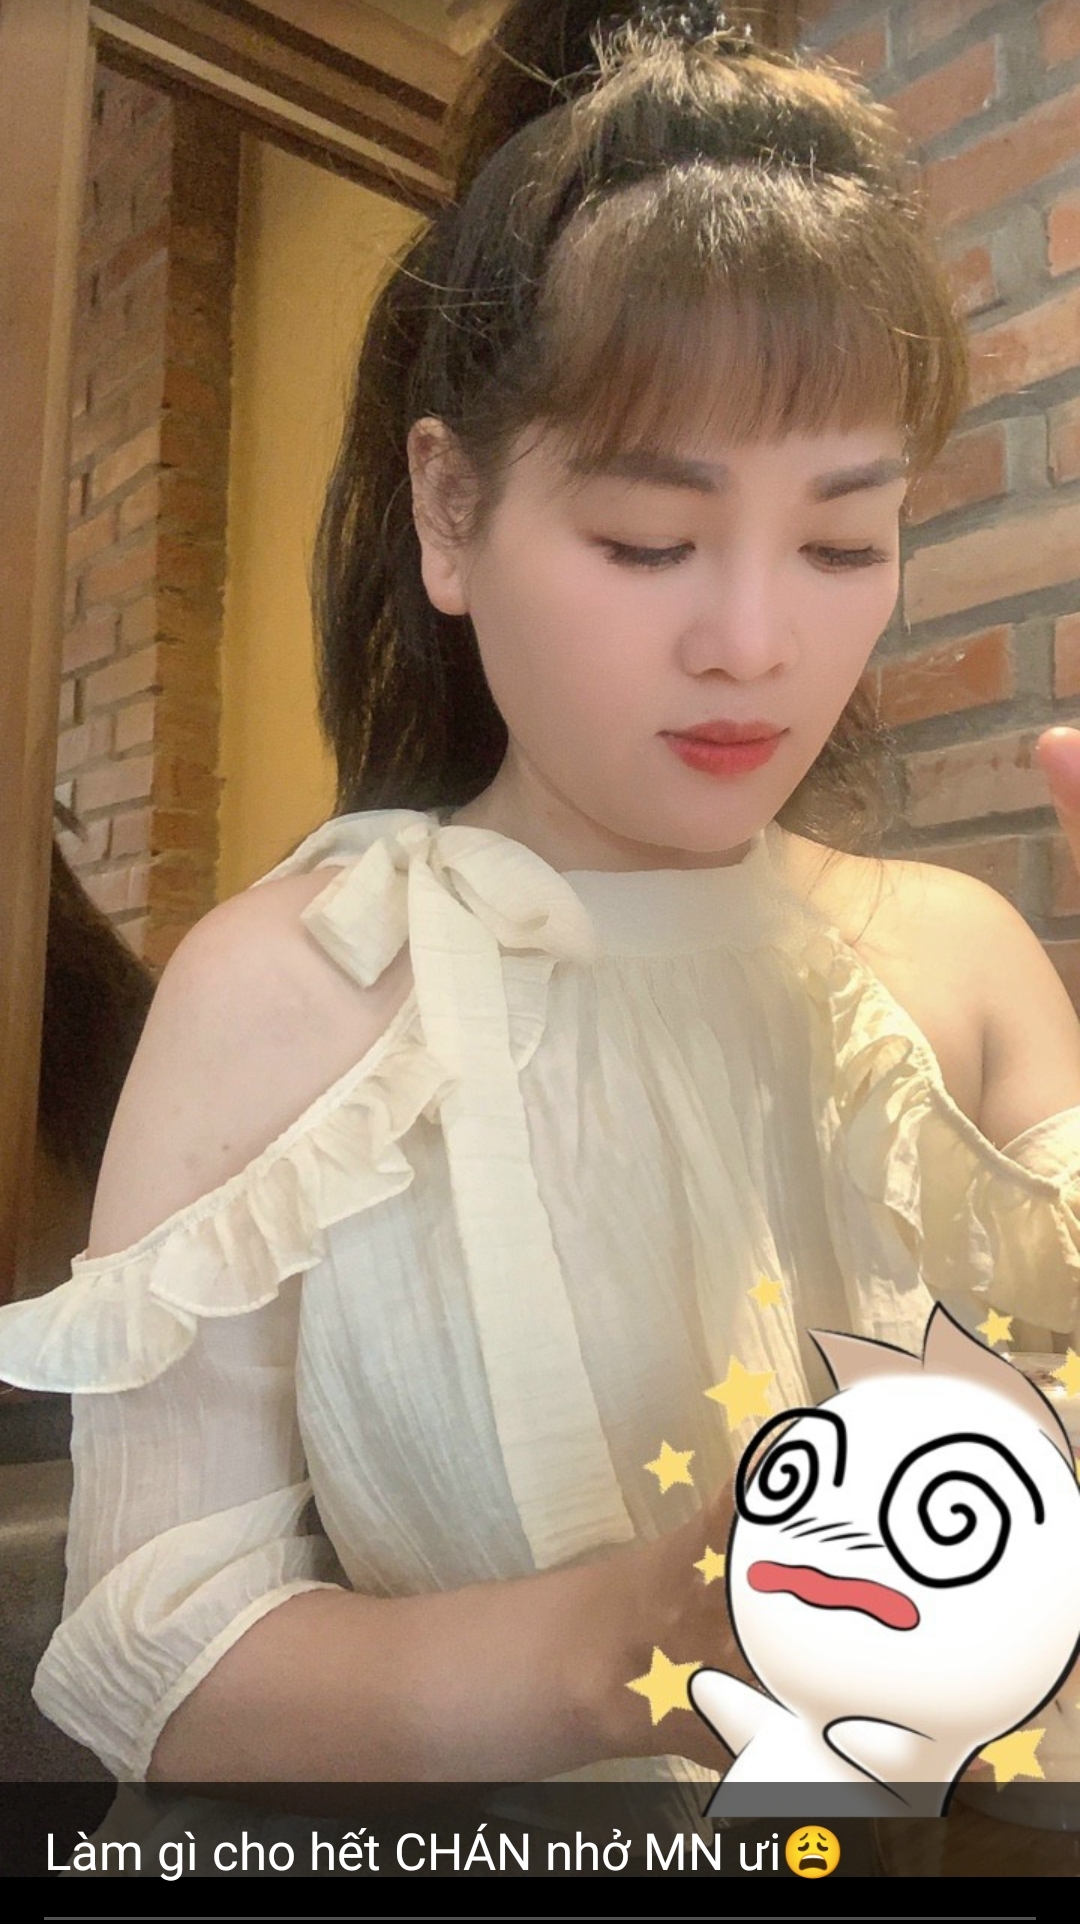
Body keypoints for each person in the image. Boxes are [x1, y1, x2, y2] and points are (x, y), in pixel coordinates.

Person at [3, 0, 1080, 1842]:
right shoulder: (298, 992)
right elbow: (154, 1662)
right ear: (449, 508)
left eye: (843, 541)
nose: (755, 641)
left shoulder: (957, 966)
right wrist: (632, 1640)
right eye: (650, 541)